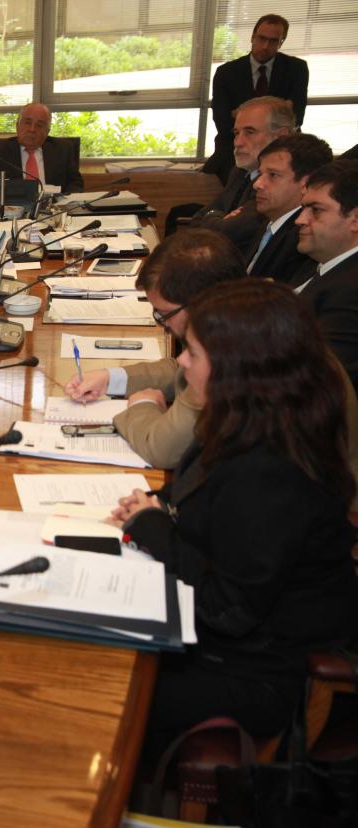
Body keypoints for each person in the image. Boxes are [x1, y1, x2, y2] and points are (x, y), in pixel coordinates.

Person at [111, 281, 357, 753]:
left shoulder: (269, 471)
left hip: (255, 670)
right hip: (232, 643)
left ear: (240, 368)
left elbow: (228, 609)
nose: (182, 363)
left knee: (94, 690)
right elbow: (208, 506)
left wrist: (154, 529)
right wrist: (156, 506)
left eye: (194, 353)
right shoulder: (257, 420)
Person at [64, 229, 246, 469]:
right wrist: (111, 378)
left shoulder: (232, 358)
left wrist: (142, 406)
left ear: (203, 304)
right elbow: (179, 370)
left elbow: (161, 449)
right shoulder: (236, 326)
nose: (162, 324)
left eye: (163, 313)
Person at [206, 15, 309, 183]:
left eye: (273, 41)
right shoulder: (227, 72)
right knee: (234, 179)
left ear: (281, 42)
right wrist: (280, 107)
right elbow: (223, 121)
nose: (265, 46)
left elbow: (296, 116)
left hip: (280, 146)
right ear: (252, 37)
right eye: (261, 38)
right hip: (233, 145)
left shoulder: (296, 68)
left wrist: (240, 112)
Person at [190, 97, 295, 252]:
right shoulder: (239, 172)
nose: (238, 142)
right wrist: (217, 216)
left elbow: (228, 232)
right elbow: (197, 219)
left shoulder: (279, 183)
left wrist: (214, 217)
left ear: (281, 136)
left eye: (250, 132)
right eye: (237, 133)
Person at [292, 160, 358, 390]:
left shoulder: (351, 292)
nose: (300, 220)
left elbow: (319, 382)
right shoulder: (319, 261)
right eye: (303, 208)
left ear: (355, 220)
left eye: (316, 210)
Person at [245, 133, 332, 282]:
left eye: (273, 175)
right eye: (260, 174)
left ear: (306, 183)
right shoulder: (269, 221)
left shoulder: (304, 236)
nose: (257, 184)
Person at [0, 102, 84, 195]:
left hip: (54, 208)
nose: (32, 129)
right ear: (17, 126)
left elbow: (75, 184)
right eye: (27, 123)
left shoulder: (63, 149)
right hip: (12, 208)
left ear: (47, 131)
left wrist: (63, 203)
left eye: (39, 125)